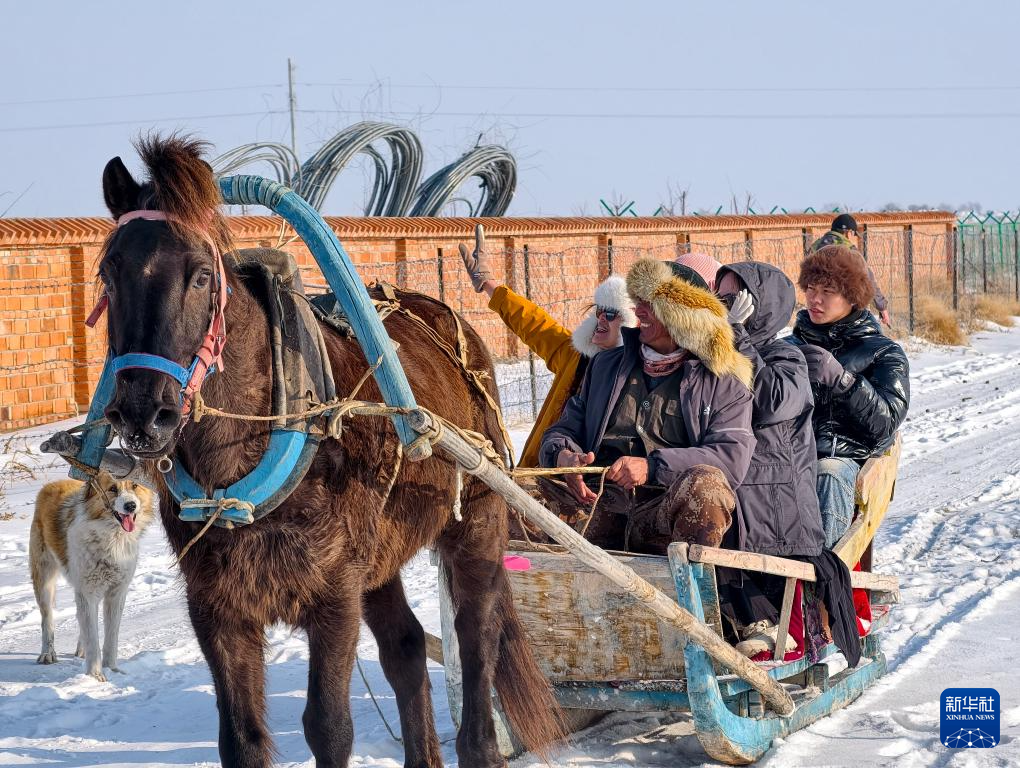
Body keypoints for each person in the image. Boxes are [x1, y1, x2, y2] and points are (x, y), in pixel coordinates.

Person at [538, 258, 755, 555]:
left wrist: (652, 467)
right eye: (639, 301)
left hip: (665, 516)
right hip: (596, 503)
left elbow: (730, 458)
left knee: (708, 487)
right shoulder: (606, 365)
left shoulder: (722, 381)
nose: (638, 311)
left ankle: (689, 596)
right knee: (504, 497)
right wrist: (563, 456)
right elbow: (564, 429)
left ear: (682, 313)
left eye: (650, 304)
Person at [714, 261, 824, 658]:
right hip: (735, 486)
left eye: (732, 299)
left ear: (758, 307)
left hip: (775, 499)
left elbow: (770, 400)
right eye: (717, 297)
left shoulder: (788, 357)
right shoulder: (718, 354)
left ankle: (769, 628)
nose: (721, 307)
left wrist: (737, 336)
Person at [459, 225, 637, 467]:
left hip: (597, 483)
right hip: (542, 472)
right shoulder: (575, 356)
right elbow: (533, 323)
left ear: (629, 323)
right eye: (599, 311)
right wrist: (488, 283)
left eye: (611, 314)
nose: (601, 319)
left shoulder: (638, 374)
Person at [788, 245, 910, 549]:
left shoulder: (883, 352)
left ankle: (819, 578)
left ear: (853, 296)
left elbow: (885, 423)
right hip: (787, 456)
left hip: (843, 458)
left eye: (828, 291)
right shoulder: (788, 347)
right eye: (811, 288)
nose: (815, 299)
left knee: (827, 473)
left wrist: (844, 382)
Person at [809, 214, 891, 327]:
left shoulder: (814, 248)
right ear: (847, 232)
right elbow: (868, 280)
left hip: (818, 307)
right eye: (852, 233)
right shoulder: (850, 252)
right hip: (843, 310)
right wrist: (882, 307)